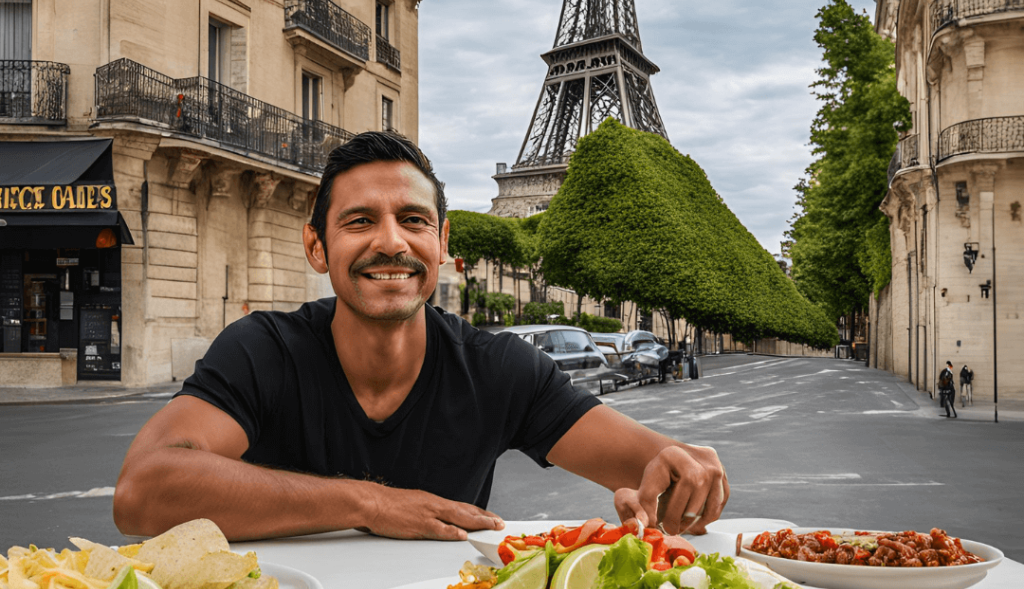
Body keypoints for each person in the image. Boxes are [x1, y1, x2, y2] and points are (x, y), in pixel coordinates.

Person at [114, 133, 729, 542]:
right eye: (359, 221)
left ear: (442, 243)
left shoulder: (499, 368)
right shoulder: (263, 350)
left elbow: (662, 472)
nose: (391, 242)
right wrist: (370, 504)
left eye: (413, 220)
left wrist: (686, 470)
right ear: (315, 247)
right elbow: (142, 491)